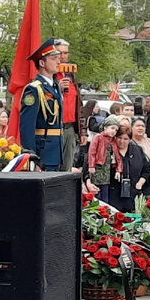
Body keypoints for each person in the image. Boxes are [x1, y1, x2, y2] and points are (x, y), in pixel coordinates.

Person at [18, 39, 64, 169]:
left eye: (59, 58)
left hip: (56, 151)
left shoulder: (55, 86)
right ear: (42, 62)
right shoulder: (34, 89)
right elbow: (27, 125)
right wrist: (32, 156)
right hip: (42, 152)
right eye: (54, 58)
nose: (58, 62)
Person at [54, 39, 87, 172]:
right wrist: (57, 88)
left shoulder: (71, 76)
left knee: (67, 168)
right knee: (51, 169)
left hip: (70, 129)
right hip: (53, 130)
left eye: (65, 53)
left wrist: (82, 131)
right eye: (59, 53)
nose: (63, 57)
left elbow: (79, 106)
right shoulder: (47, 76)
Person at [106, 125, 150, 209]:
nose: (122, 141)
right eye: (119, 138)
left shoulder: (138, 150)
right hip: (113, 194)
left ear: (130, 140)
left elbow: (146, 170)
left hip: (133, 193)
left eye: (125, 139)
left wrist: (140, 183)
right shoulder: (108, 150)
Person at [88, 116, 121, 192]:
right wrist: (91, 165)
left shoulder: (113, 141)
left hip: (108, 169)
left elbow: (118, 157)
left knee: (105, 190)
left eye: (116, 130)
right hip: (98, 167)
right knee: (96, 188)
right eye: (112, 128)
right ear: (105, 127)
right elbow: (92, 152)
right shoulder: (98, 137)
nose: (114, 131)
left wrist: (118, 170)